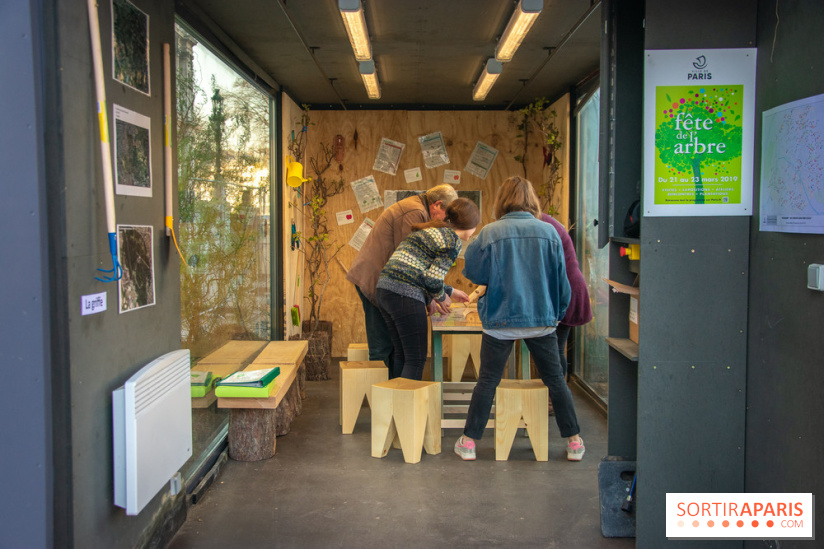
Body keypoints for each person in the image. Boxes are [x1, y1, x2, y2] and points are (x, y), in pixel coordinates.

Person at [455, 176, 585, 461]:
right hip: (541, 320)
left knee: (488, 380)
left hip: (500, 321)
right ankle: (574, 441)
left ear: (501, 201)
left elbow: (474, 272)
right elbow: (562, 283)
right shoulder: (549, 232)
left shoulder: (489, 232)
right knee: (555, 380)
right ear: (532, 200)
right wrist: (555, 314)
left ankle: (468, 442)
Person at [346, 185, 459, 377]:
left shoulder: (417, 208)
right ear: (437, 204)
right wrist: (432, 297)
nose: (446, 222)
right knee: (382, 347)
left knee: (394, 348)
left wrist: (442, 292)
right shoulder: (414, 211)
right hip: (374, 281)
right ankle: (382, 400)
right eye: (446, 215)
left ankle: (391, 396)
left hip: (381, 281)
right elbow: (411, 265)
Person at [375, 198, 480, 380]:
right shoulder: (451, 240)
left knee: (401, 354)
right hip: (404, 294)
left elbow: (421, 272)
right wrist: (441, 297)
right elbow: (432, 280)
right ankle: (408, 408)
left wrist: (449, 291)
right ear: (469, 223)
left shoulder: (433, 230)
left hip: (385, 290)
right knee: (415, 359)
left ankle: (397, 407)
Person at [540, 213, 592, 413]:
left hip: (564, 291)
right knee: (555, 348)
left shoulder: (542, 225)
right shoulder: (545, 222)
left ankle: (555, 400)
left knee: (554, 349)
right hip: (564, 288)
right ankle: (555, 397)